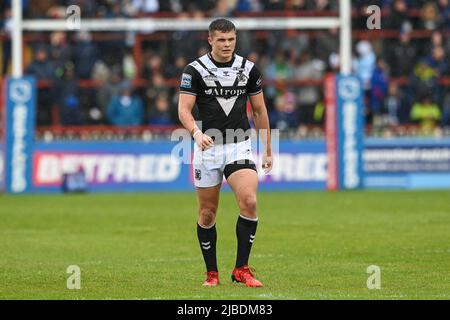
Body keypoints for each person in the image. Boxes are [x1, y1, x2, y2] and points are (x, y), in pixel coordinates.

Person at [178, 19, 272, 287]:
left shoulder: (248, 69)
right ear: (210, 40)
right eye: (221, 40)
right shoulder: (194, 70)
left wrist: (267, 148)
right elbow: (184, 110)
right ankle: (212, 273)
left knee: (249, 201)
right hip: (208, 147)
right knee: (207, 214)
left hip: (238, 144)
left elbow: (260, 111)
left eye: (231, 39)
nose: (227, 44)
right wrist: (196, 133)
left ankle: (241, 269)